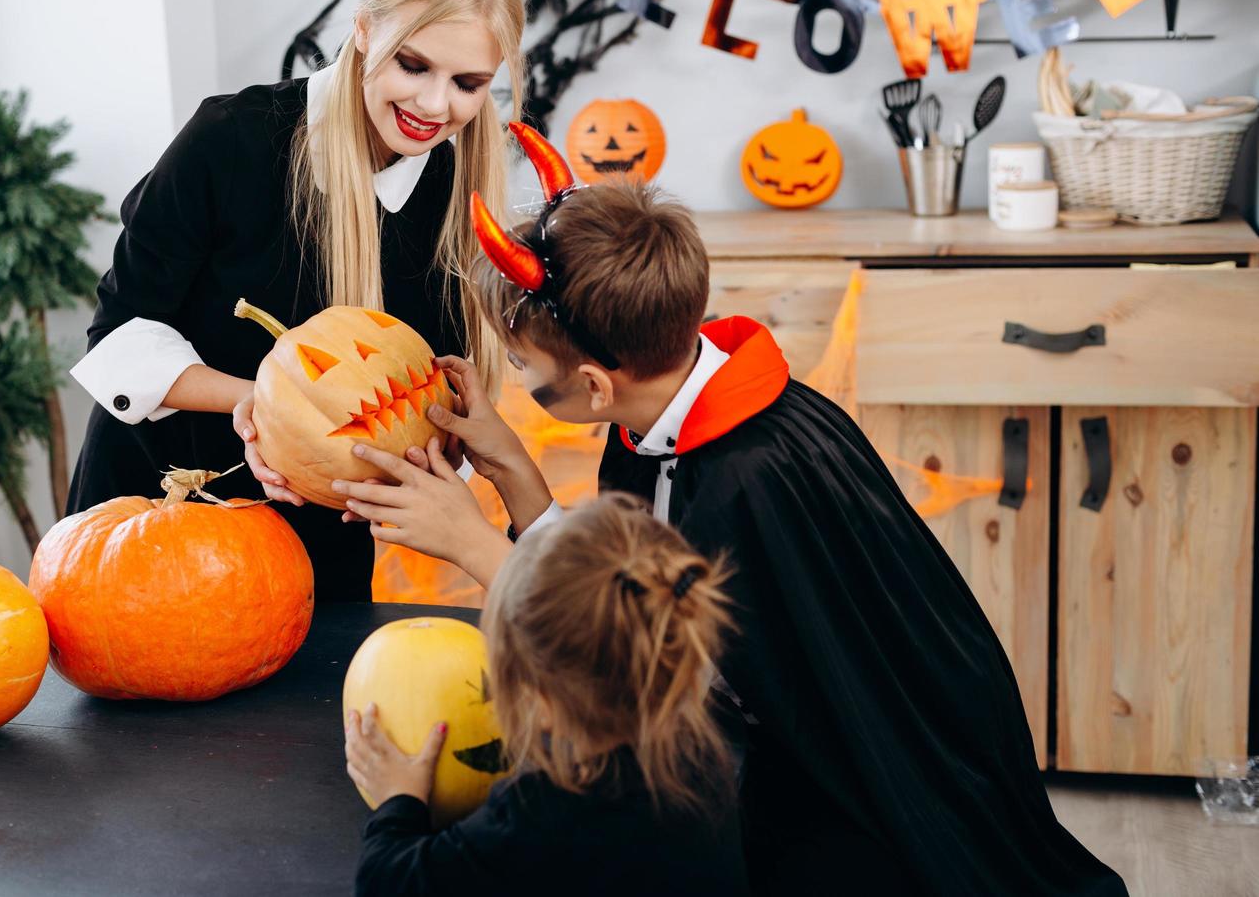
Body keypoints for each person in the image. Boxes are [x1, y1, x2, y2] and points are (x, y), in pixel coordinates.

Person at [331, 127, 1128, 895]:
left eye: (523, 364)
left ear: (599, 388)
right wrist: (506, 461)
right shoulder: (675, 406)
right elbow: (621, 567)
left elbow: (648, 653)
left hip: (861, 806)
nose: (517, 377)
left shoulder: (745, 481)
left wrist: (471, 542)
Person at [64, 0, 522, 601]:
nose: (433, 105)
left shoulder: (455, 192)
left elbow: (416, 392)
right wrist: (261, 405)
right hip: (156, 514)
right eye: (413, 65)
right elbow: (121, 332)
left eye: (468, 83)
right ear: (365, 29)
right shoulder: (230, 141)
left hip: (316, 539)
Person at [346, 494, 749, 897]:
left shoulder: (542, 815)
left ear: (540, 700)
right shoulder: (704, 755)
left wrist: (399, 801)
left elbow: (389, 881)